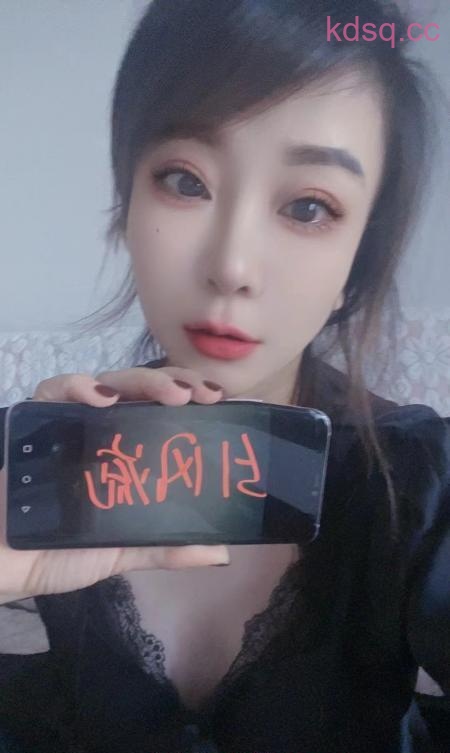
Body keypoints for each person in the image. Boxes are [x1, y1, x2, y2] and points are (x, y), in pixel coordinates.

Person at [0, 1, 449, 751]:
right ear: (126, 203)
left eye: (308, 206)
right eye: (184, 180)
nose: (232, 266)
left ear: (356, 264)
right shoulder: (39, 462)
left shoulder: (420, 483)